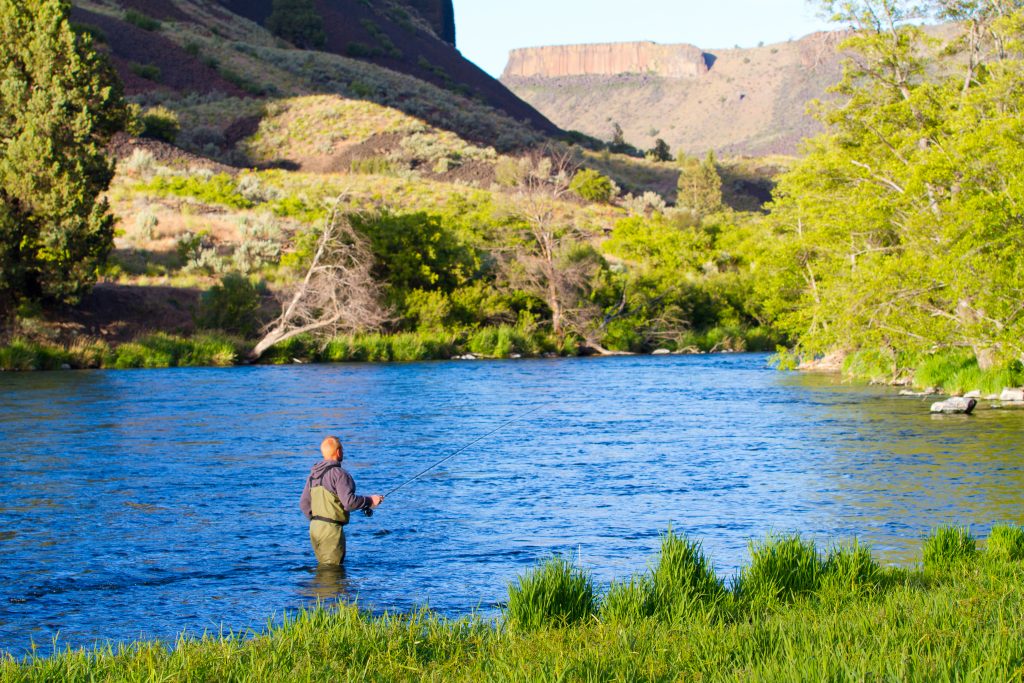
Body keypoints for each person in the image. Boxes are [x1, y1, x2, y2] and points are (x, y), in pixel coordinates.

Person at [299, 436, 383, 565]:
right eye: (342, 449)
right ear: (338, 452)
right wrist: (370, 500)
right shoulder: (339, 474)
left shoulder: (313, 475)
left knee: (323, 569)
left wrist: (318, 521)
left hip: (314, 528)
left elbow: (304, 504)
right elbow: (349, 502)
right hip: (331, 530)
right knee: (332, 572)